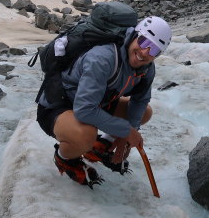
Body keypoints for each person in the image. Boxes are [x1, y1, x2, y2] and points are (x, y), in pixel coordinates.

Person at [36, 15, 172, 188]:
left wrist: (128, 134)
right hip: (59, 105)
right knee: (85, 134)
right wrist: (126, 131)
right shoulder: (103, 57)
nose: (145, 52)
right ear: (135, 35)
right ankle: (64, 159)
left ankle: (100, 146)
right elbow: (84, 110)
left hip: (99, 101)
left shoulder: (147, 69)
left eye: (154, 50)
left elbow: (140, 100)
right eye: (144, 41)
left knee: (145, 112)